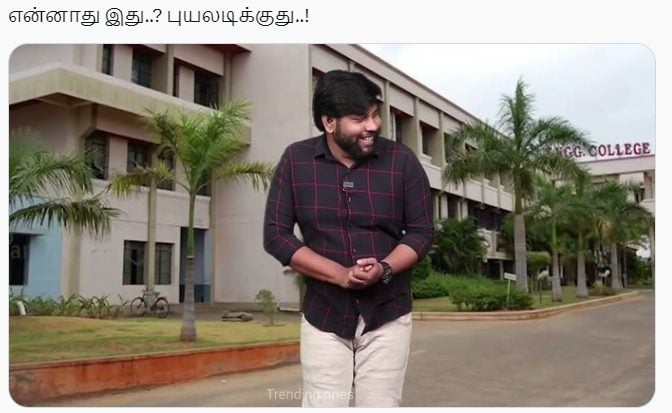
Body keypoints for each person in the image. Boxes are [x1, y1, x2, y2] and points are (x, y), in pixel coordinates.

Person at [263, 70, 434, 407]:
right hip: (324, 315)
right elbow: (276, 235)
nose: (372, 125)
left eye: (374, 115)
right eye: (359, 119)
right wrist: (340, 274)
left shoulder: (402, 161)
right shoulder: (296, 161)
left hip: (387, 314)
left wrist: (384, 268)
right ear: (329, 122)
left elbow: (421, 232)